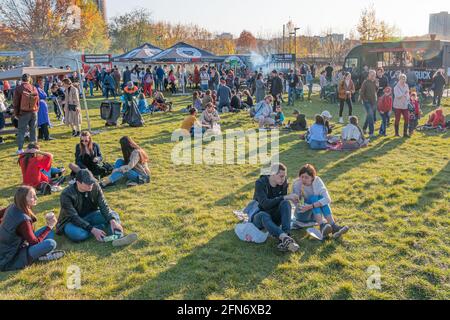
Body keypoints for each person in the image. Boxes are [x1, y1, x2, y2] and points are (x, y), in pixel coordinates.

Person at [57, 169, 138, 246]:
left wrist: (112, 221)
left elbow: (103, 205)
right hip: (71, 222)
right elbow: (73, 217)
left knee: (113, 215)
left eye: (92, 182)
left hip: (92, 215)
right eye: (87, 183)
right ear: (78, 182)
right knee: (78, 235)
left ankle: (118, 237)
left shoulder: (95, 186)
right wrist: (93, 229)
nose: (91, 185)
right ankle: (99, 227)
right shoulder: (66, 194)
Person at [0, 186, 64, 272]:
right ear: (23, 199)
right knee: (51, 243)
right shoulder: (23, 220)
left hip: (11, 247)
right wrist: (50, 226)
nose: (36, 198)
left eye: (35, 195)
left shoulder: (13, 206)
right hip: (11, 257)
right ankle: (39, 256)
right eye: (32, 196)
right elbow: (34, 242)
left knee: (49, 232)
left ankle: (40, 254)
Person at [251, 163, 300, 252]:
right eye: (281, 176)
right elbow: (264, 204)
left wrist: (293, 201)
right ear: (273, 174)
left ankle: (286, 236)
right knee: (263, 214)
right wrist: (284, 197)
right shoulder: (260, 183)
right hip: (259, 217)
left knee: (286, 203)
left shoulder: (283, 183)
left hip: (274, 216)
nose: (283, 179)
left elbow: (282, 203)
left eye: (284, 176)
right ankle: (285, 238)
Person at [293, 164, 349, 239]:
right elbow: (297, 204)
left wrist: (312, 206)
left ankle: (333, 227)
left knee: (321, 198)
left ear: (312, 177)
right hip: (302, 215)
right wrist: (304, 204)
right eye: (302, 177)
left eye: (306, 177)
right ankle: (323, 226)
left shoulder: (317, 181)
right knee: (314, 198)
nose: (303, 179)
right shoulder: (297, 184)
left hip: (314, 216)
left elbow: (327, 199)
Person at [13, 73, 39, 154]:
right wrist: (36, 109)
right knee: (33, 130)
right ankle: (34, 148)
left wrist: (16, 114)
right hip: (34, 111)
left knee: (21, 131)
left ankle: (20, 149)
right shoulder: (34, 87)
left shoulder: (18, 88)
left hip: (23, 112)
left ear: (22, 79)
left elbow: (16, 102)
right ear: (29, 79)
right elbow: (37, 100)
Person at [360, 70, 378, 138]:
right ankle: (371, 133)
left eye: (374, 75)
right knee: (371, 116)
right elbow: (362, 92)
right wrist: (365, 100)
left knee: (369, 115)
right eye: (372, 75)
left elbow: (375, 91)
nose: (373, 76)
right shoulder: (365, 82)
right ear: (369, 75)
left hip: (373, 101)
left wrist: (377, 86)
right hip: (367, 102)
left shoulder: (375, 82)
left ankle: (364, 129)